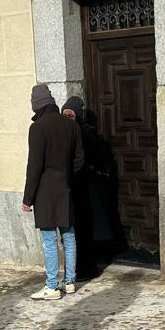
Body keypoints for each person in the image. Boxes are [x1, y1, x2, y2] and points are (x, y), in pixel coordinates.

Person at [23, 84, 83, 300]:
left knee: (49, 239)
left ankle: (51, 286)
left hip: (45, 192)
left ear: (36, 105)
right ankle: (69, 282)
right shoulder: (70, 125)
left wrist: (27, 198)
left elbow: (34, 165)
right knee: (68, 235)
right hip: (65, 188)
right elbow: (79, 160)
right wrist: (67, 178)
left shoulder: (38, 127)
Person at [63, 96, 99, 281]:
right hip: (70, 188)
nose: (68, 116)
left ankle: (87, 268)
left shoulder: (86, 132)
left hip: (83, 188)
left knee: (83, 228)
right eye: (65, 113)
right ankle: (75, 268)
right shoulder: (63, 131)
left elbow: (87, 158)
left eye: (71, 113)